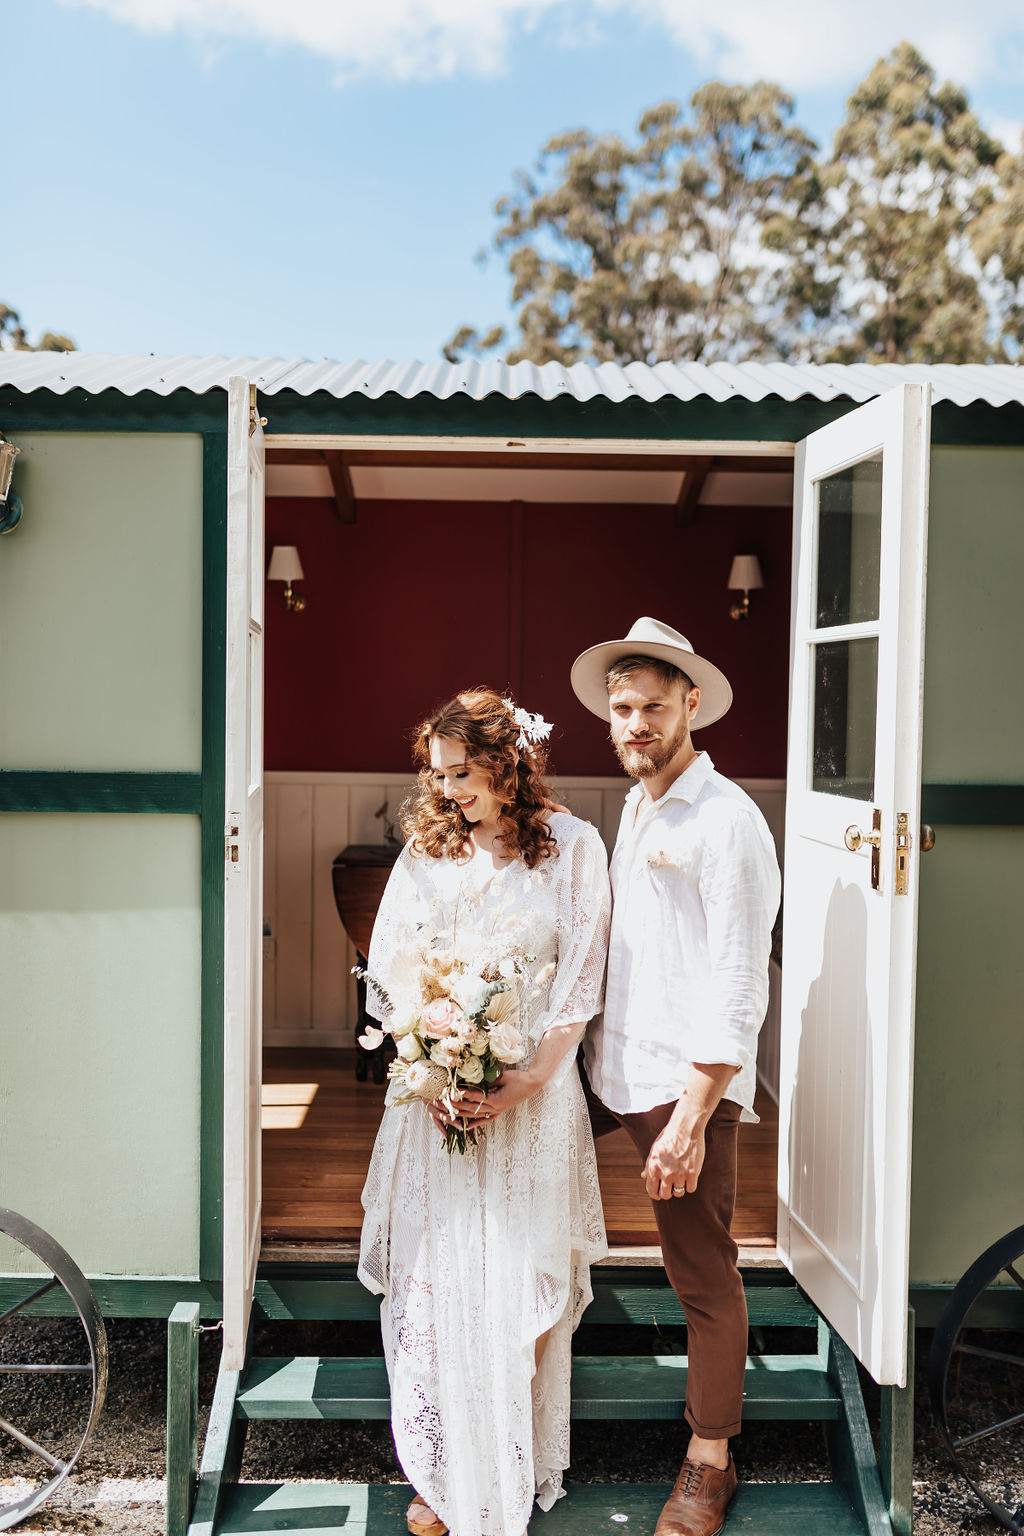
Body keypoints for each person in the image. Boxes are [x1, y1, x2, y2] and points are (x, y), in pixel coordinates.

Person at [358, 688, 611, 1536]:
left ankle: (498, 1454)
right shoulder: (428, 852)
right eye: (439, 776)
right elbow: (392, 968)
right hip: (439, 1107)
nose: (448, 792)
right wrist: (429, 1065)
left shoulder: (574, 849)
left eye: (462, 774)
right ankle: (439, 1467)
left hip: (533, 1105)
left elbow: (580, 983)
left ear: (508, 764)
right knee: (436, 1280)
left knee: (519, 1277)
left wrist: (524, 1081)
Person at [571, 617, 781, 1536]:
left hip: (678, 1086)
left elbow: (739, 979)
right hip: (607, 1067)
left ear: (690, 704)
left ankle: (709, 1461)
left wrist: (697, 1113)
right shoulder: (640, 804)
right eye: (623, 708)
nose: (636, 722)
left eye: (653, 706)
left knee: (701, 1274)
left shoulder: (727, 819)